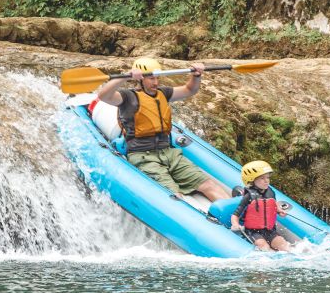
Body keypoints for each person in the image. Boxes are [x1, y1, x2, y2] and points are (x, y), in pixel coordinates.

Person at [96, 57, 231, 203]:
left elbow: (190, 90)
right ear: (140, 79)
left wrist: (196, 75)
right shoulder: (127, 97)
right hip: (144, 157)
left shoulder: (163, 93)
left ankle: (232, 216)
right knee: (173, 195)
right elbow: (103, 96)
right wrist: (125, 76)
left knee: (209, 185)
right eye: (151, 79)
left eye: (157, 78)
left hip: (170, 154)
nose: (155, 82)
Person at [231, 160, 291, 252]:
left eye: (267, 177)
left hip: (270, 230)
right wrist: (235, 224)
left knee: (283, 244)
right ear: (251, 180)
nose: (266, 180)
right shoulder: (248, 196)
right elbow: (235, 215)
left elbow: (273, 205)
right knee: (263, 246)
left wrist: (279, 211)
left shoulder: (270, 192)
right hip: (253, 231)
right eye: (262, 178)